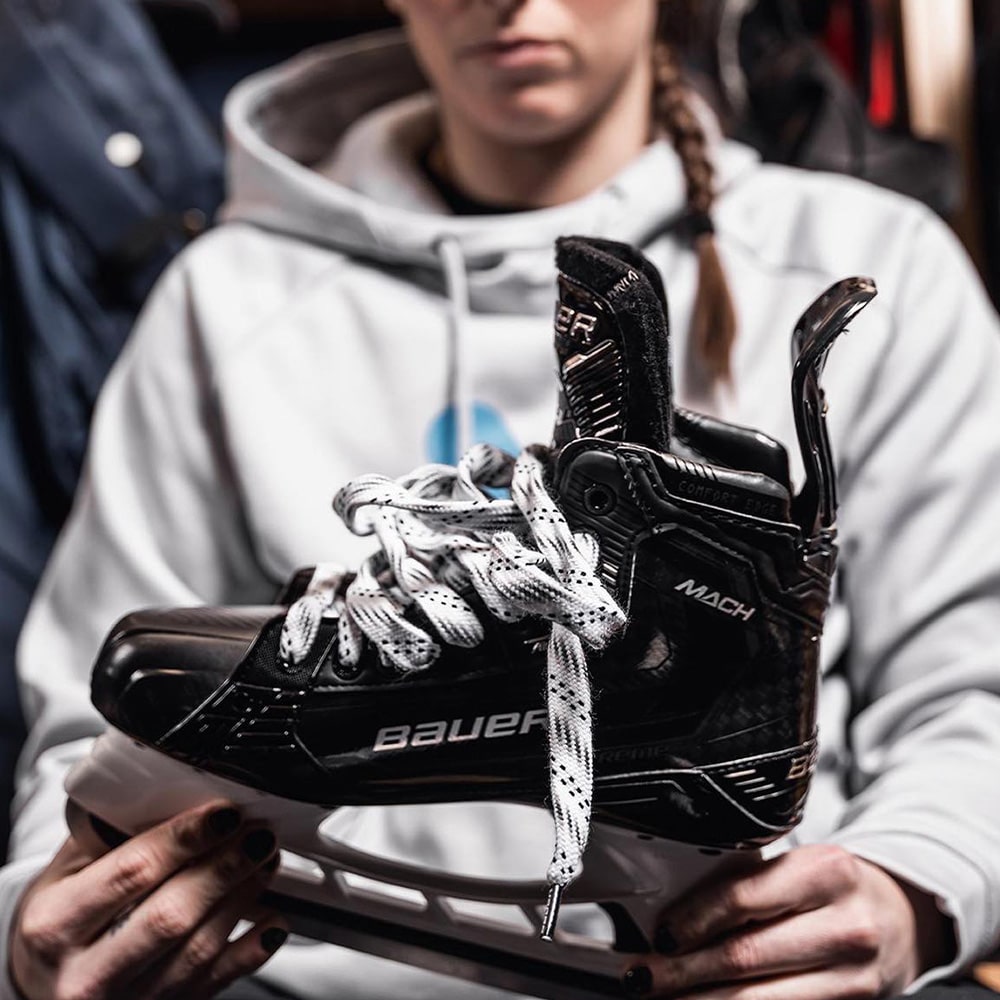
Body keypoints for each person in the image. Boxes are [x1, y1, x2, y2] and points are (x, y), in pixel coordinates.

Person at [4, 0, 1000, 997]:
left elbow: (975, 686)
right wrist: (35, 929)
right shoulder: (222, 298)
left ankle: (654, 728)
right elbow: (93, 730)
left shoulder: (874, 263)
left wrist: (908, 887)